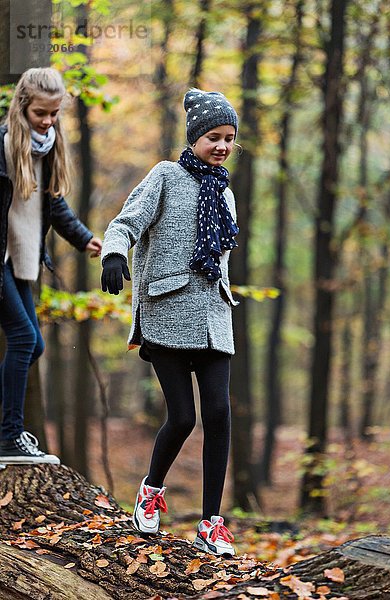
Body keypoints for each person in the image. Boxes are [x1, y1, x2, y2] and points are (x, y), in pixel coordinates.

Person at [101, 88, 239, 556]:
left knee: (219, 414)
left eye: (229, 139)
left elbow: (220, 261)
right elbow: (125, 223)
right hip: (167, 315)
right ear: (195, 136)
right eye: (213, 137)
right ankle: (151, 489)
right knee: (183, 417)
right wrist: (115, 254)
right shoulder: (165, 176)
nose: (221, 146)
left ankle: (211, 522)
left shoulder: (226, 193)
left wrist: (222, 300)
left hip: (214, 319)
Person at [0, 67, 102, 465]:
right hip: (1, 259)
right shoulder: (3, 145)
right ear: (23, 106)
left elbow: (53, 204)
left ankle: (6, 430)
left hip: (20, 259)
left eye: (54, 113)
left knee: (34, 344)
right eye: (40, 113)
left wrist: (82, 238)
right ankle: (8, 436)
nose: (47, 121)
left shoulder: (47, 146)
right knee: (24, 339)